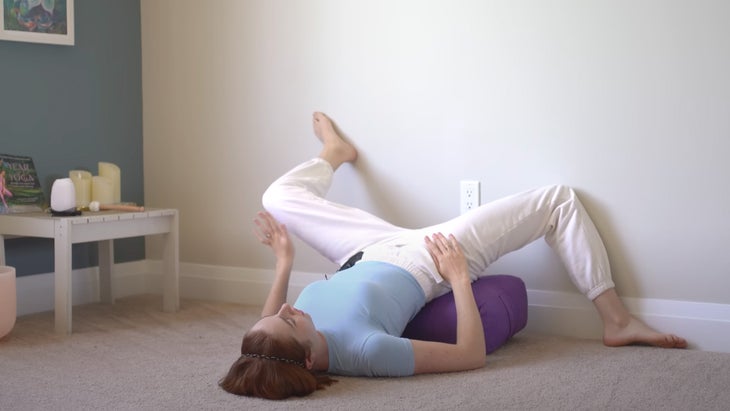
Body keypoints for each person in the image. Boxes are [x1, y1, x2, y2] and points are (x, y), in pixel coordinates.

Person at [220, 112, 687, 400]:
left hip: (360, 250)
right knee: (557, 198)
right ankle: (616, 320)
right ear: (307, 362)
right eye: (287, 320)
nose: (284, 309)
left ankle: (333, 153)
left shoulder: (284, 340)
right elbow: (469, 357)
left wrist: (283, 261)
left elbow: (265, 324)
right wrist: (459, 278)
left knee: (276, 197)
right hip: (426, 258)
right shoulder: (367, 351)